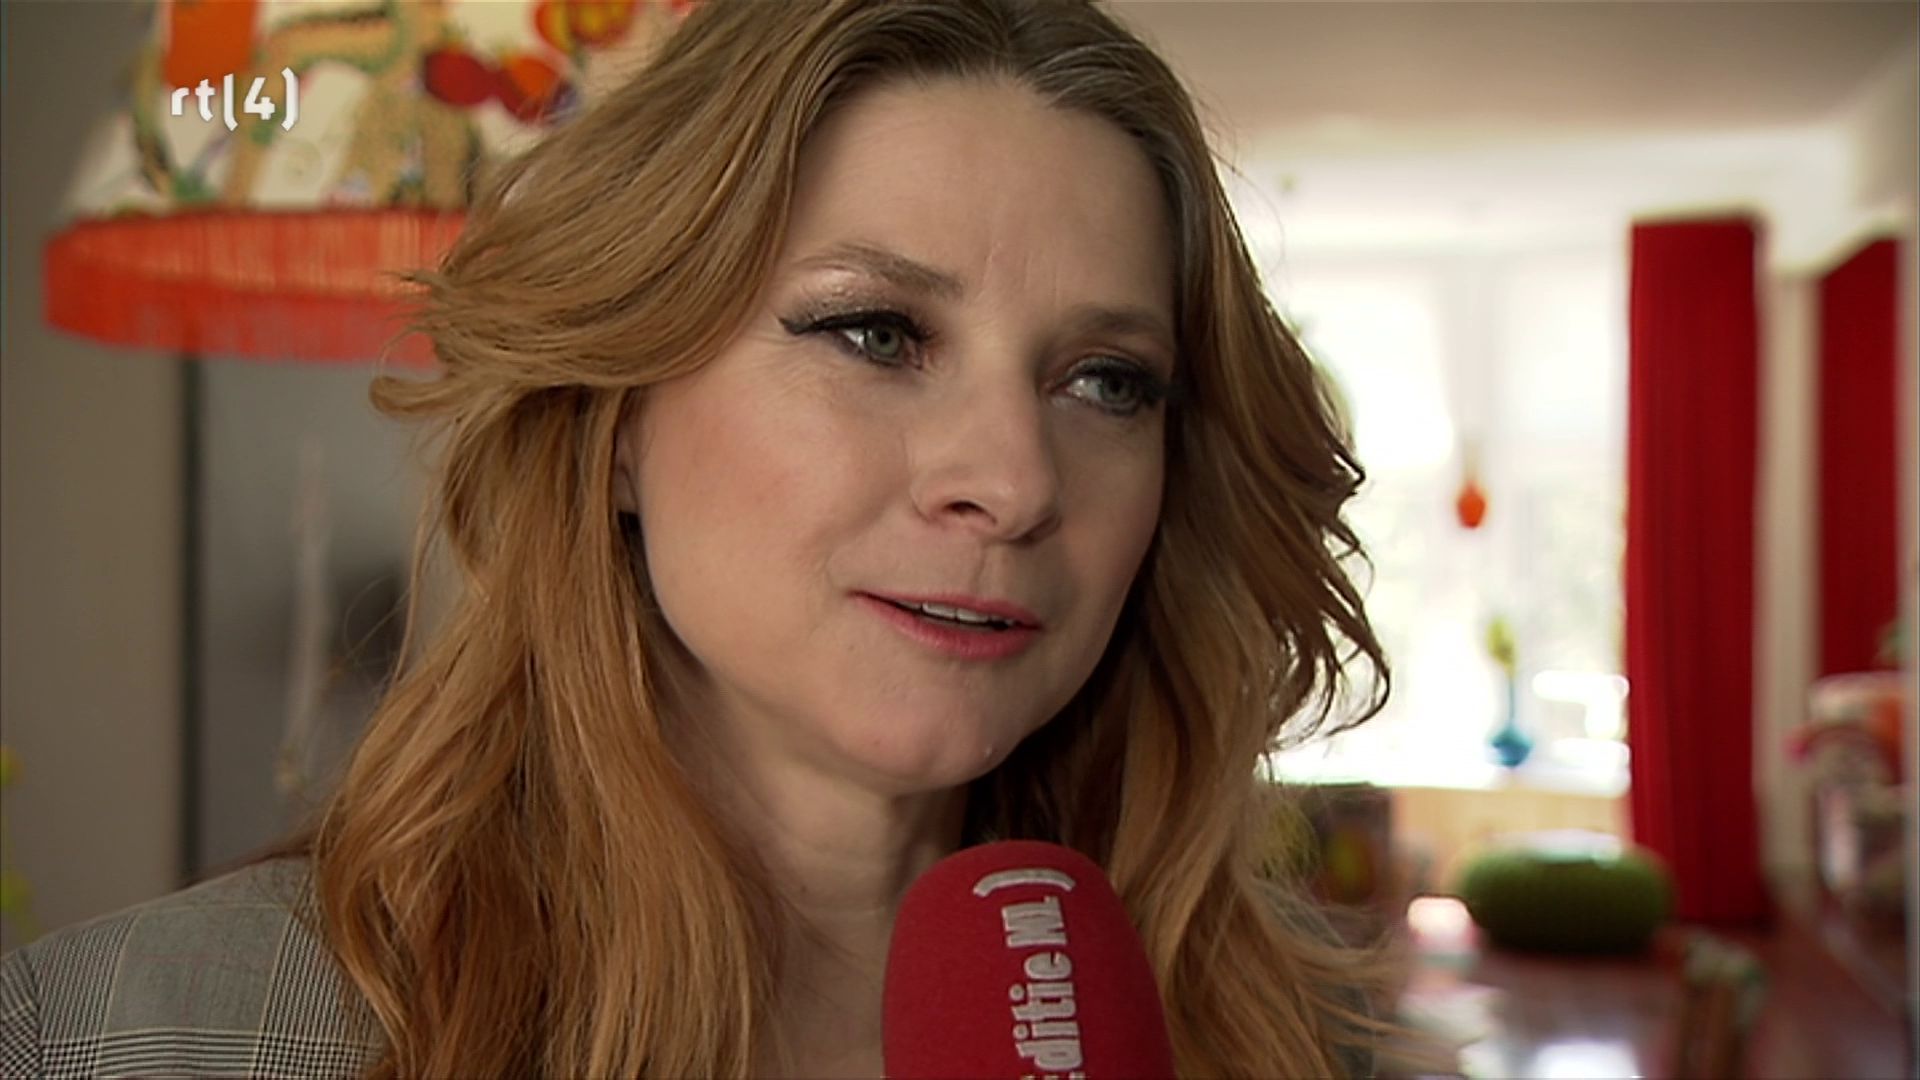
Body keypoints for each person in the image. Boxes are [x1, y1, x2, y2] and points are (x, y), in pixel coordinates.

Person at [1, 0, 1401, 1075]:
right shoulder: (124, 1034)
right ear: (618, 421)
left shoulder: (1290, 1044)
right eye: (875, 332)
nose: (1014, 480)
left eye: (1107, 381)